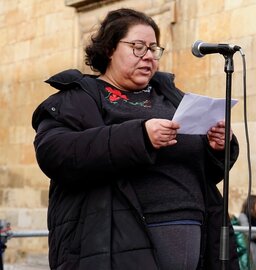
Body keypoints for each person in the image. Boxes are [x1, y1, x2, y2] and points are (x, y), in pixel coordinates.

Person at [31, 8, 240, 270]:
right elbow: (55, 153)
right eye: (138, 47)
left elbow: (205, 173)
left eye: (154, 49)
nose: (149, 56)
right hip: (116, 242)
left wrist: (216, 147)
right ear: (108, 48)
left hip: (197, 236)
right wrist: (140, 136)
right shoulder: (78, 98)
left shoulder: (172, 97)